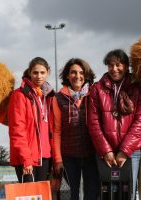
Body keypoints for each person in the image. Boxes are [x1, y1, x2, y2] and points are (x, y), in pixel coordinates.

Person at [88, 49, 141, 200]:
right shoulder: (97, 88)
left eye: (118, 64)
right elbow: (93, 122)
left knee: (130, 194)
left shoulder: (137, 88)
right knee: (107, 194)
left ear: (127, 65)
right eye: (110, 65)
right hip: (105, 154)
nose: (114, 69)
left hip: (131, 153)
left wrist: (124, 150)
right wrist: (106, 151)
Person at [52, 58, 99, 200]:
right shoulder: (58, 98)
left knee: (92, 194)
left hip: (92, 155)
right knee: (72, 195)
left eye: (81, 72)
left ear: (86, 75)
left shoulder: (94, 94)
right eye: (73, 72)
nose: (77, 76)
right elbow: (57, 131)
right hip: (69, 157)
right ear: (67, 75)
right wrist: (58, 160)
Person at [8, 57, 55, 182]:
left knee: (42, 195)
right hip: (27, 159)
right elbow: (17, 129)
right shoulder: (20, 95)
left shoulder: (50, 96)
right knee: (29, 196)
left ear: (48, 73)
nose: (39, 76)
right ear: (29, 72)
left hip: (45, 157)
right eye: (35, 72)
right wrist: (25, 159)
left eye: (42, 73)